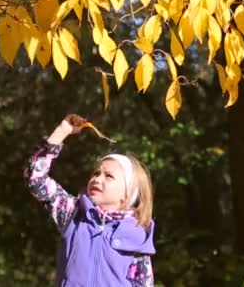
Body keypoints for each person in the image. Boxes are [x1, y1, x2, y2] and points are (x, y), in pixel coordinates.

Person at [25, 114, 156, 286]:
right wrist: (62, 131)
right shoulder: (73, 213)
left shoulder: (137, 234)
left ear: (127, 194)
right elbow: (36, 178)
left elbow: (144, 284)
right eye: (96, 173)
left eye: (109, 176)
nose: (97, 179)